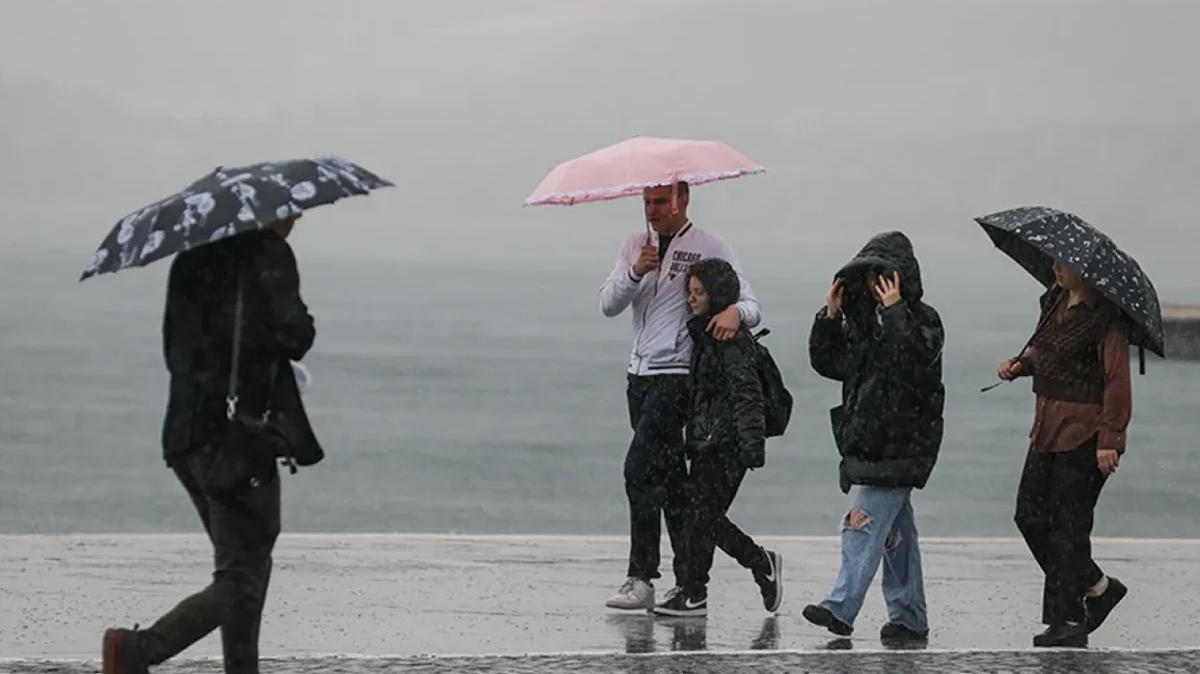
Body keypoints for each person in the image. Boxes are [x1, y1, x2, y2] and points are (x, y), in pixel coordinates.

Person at [102, 217, 322, 674]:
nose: (295, 217)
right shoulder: (267, 253)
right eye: (290, 211)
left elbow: (176, 350)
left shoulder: (192, 256)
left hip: (185, 434)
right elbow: (295, 336)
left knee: (242, 566)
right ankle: (138, 648)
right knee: (243, 574)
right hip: (238, 441)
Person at [599, 182, 779, 611]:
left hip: (677, 378)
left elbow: (751, 304)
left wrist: (735, 312)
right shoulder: (634, 246)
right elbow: (608, 304)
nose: (653, 210)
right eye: (647, 202)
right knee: (677, 493)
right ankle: (714, 578)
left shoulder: (709, 246)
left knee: (638, 469)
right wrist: (635, 272)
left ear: (682, 200)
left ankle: (641, 577)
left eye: (661, 201)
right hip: (638, 377)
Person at [803, 231, 944, 645]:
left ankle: (840, 606)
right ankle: (909, 617)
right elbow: (831, 364)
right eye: (868, 276)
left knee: (861, 523)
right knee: (897, 537)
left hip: (903, 441)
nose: (874, 284)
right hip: (868, 441)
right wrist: (829, 318)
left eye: (882, 275)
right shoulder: (862, 324)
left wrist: (896, 310)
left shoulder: (924, 319)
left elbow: (915, 362)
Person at [997, 259, 1131, 648]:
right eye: (1056, 259)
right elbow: (1045, 351)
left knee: (1069, 528)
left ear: (1087, 271)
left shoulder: (1106, 319)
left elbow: (1117, 381)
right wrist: (1021, 365)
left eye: (1066, 263)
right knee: (1029, 516)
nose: (1056, 266)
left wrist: (1110, 439)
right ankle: (1098, 588)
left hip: (1085, 434)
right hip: (1046, 429)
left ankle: (1068, 619)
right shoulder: (1053, 301)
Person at [652, 258, 781, 617]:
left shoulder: (730, 339)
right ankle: (695, 591)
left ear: (717, 294)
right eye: (690, 292)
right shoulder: (705, 334)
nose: (691, 299)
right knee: (700, 518)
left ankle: (756, 564)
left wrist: (751, 446)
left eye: (699, 292)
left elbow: (747, 394)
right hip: (706, 442)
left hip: (728, 444)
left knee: (703, 517)